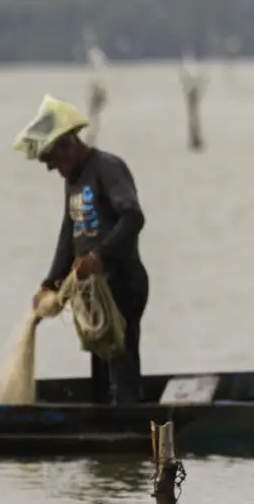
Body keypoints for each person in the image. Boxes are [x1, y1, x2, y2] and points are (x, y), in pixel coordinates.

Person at [12, 94, 150, 405]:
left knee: (121, 354)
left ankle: (129, 425)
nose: (51, 168)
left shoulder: (107, 168)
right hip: (90, 288)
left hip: (123, 281)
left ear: (67, 145)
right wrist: (50, 283)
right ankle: (103, 418)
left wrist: (99, 256)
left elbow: (133, 217)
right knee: (99, 356)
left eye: (51, 159)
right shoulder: (73, 180)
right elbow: (69, 234)